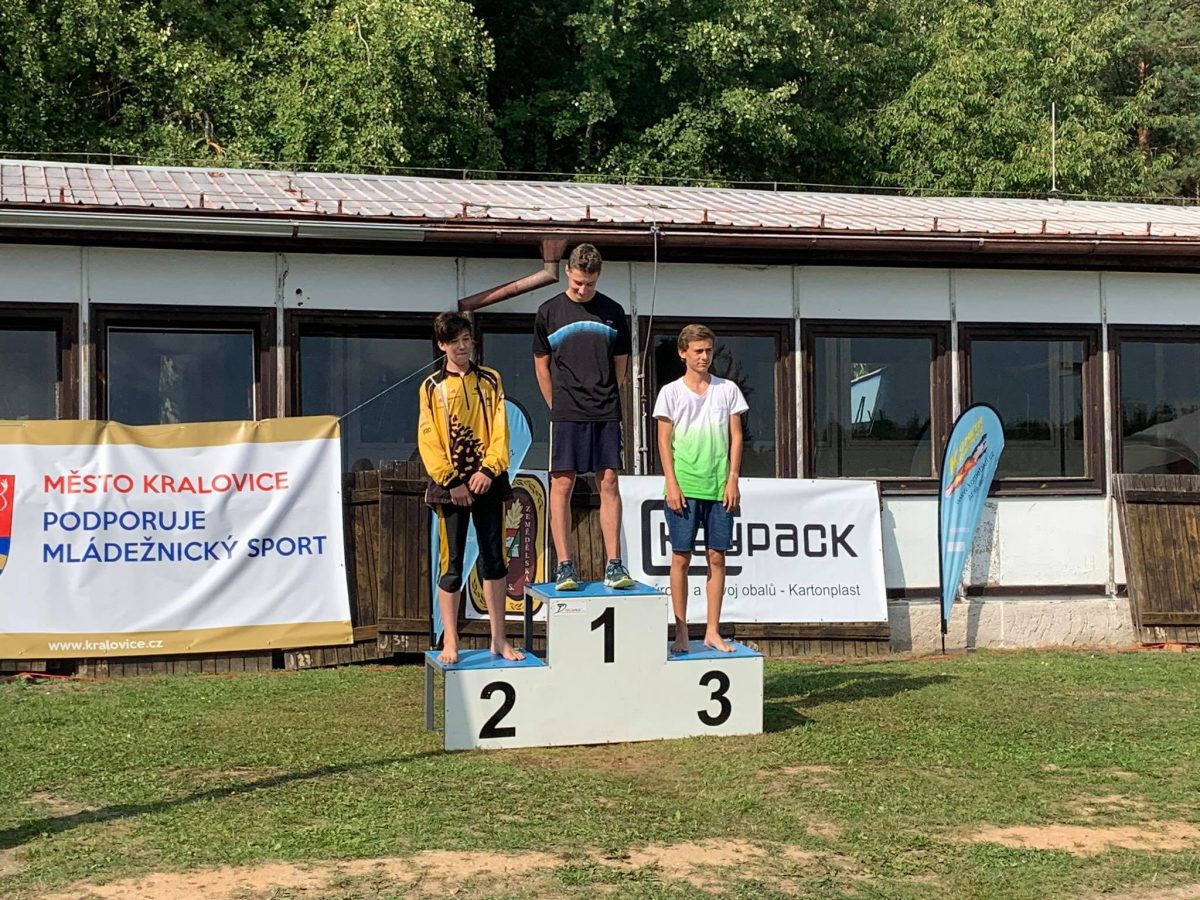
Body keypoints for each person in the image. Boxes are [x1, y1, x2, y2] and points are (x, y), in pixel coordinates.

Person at [419, 311, 523, 664]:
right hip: (451, 487)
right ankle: (450, 640)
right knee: (451, 564)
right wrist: (451, 481)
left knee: (495, 560)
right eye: (455, 342)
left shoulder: (491, 379)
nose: (462, 347)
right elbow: (428, 438)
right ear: (442, 345)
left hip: (488, 482)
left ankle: (499, 639)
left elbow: (500, 428)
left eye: (466, 340)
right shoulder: (431, 387)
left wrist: (489, 470)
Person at [533, 243, 634, 591]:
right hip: (567, 412)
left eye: (589, 283)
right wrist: (557, 405)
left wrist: (606, 395)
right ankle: (564, 565)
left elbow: (620, 366)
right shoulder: (548, 311)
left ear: (598, 276)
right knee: (562, 484)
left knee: (609, 482)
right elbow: (541, 366)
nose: (582, 289)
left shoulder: (613, 312)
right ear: (567, 272)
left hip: (605, 410)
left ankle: (614, 564)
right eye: (577, 282)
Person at [653, 324, 747, 653]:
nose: (704, 357)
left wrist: (733, 478)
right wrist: (672, 483)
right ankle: (680, 632)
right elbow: (663, 441)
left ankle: (712, 631)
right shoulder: (670, 392)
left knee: (717, 557)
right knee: (681, 558)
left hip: (719, 488)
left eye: (708, 350)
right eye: (698, 351)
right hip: (684, 486)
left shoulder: (728, 389)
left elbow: (737, 436)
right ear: (683, 353)